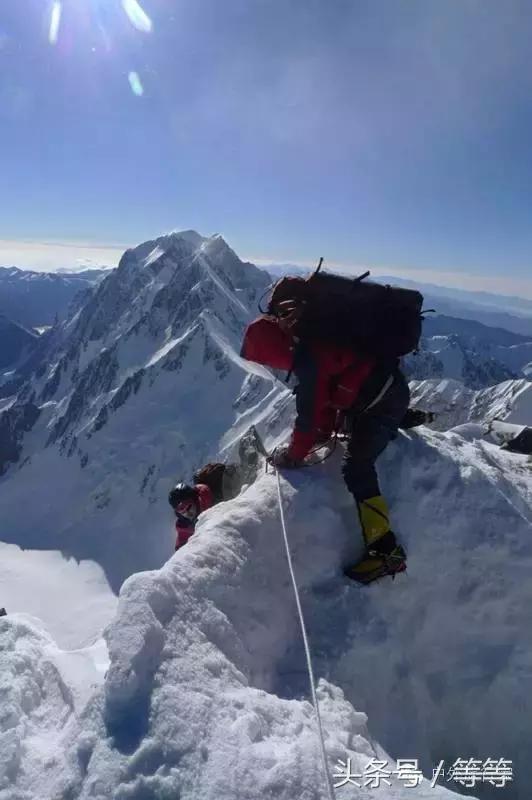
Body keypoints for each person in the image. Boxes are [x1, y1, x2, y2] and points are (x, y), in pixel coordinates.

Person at [241, 315, 409, 584]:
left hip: (383, 405)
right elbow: (327, 400)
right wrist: (320, 434)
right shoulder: (313, 348)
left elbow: (308, 414)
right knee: (360, 447)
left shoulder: (309, 359)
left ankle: (386, 551)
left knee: (357, 468)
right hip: (380, 397)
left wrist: (294, 456)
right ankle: (407, 417)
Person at [168, 463, 243, 551]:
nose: (187, 513)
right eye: (182, 511)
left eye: (188, 507)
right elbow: (181, 546)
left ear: (194, 499)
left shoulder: (213, 494)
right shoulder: (185, 526)